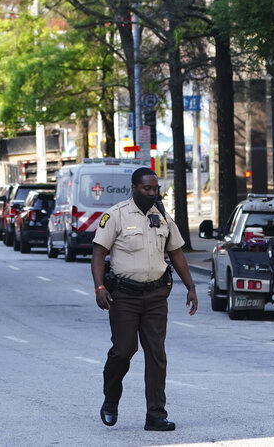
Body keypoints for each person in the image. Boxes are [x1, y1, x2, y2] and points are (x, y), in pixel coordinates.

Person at [91, 167, 198, 432]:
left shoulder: (161, 216)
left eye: (155, 188)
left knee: (156, 355)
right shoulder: (115, 215)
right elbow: (98, 254)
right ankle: (111, 398)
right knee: (123, 351)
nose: (152, 193)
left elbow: (176, 253)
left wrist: (191, 286)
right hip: (124, 297)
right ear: (134, 187)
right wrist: (99, 287)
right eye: (147, 188)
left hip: (155, 296)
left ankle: (155, 416)